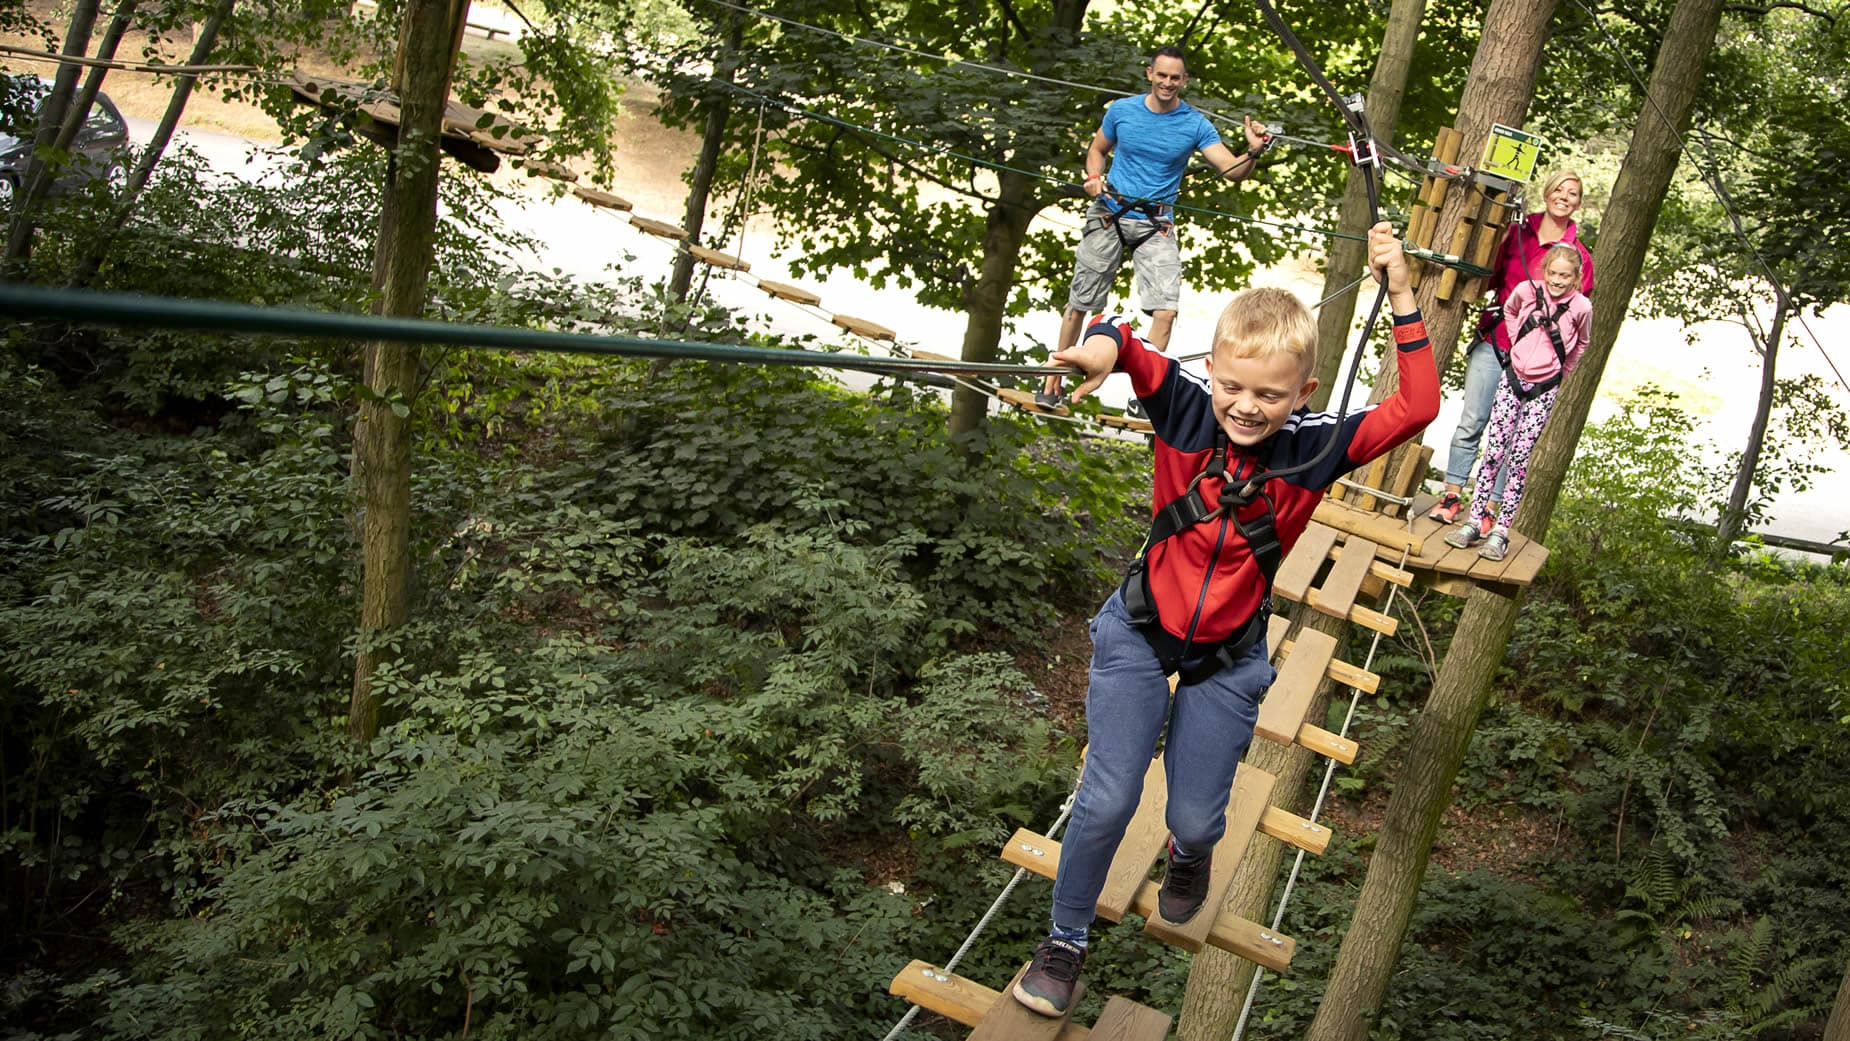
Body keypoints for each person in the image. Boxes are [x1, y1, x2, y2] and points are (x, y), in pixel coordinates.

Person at [1010, 223, 1439, 1018]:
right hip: (1140, 630)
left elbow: (1418, 404)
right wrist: (1100, 355)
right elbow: (1122, 341)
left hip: (1227, 654)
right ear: (1212, 370)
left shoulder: (1317, 447)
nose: (1245, 406)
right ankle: (1065, 940)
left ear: (1303, 393)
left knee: (1197, 813)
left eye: (1270, 394)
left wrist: (1404, 290)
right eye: (1232, 386)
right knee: (1106, 797)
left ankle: (1188, 853)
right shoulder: (1182, 406)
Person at [1036, 44, 1271, 408]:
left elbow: (1233, 172)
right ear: (1149, 74)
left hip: (1155, 222)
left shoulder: (1194, 124)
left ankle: (1145, 394)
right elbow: (1097, 149)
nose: (1167, 83)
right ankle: (1053, 381)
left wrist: (1252, 151)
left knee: (1166, 311)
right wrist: (1094, 175)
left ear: (1184, 80)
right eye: (1161, 75)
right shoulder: (1122, 111)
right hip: (1109, 211)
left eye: (1175, 78)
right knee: (1080, 303)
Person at [1428, 169, 1594, 528]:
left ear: (1579, 202)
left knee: (1512, 436)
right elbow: (1488, 277)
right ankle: (1452, 494)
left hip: (1537, 361)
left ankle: (1488, 509)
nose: (1564, 197)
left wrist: (1560, 366)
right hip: (1497, 340)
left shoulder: (1578, 256)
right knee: (1473, 419)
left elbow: (1578, 318)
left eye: (1573, 193)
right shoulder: (1518, 232)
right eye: (1559, 190)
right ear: (1548, 193)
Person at [1442, 243, 1591, 560]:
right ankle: (1473, 522)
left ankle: (1500, 531)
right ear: (1545, 271)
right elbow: (1509, 311)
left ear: (1575, 276)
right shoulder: (1526, 291)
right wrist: (1517, 345)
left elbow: (1583, 342)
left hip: (1544, 387)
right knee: (1494, 451)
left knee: (1519, 458)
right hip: (1513, 378)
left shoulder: (1581, 308)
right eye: (1553, 273)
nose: (1558, 281)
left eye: (1565, 276)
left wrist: (1562, 370)